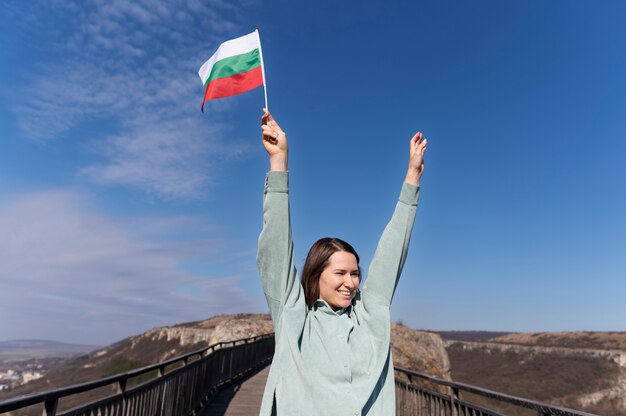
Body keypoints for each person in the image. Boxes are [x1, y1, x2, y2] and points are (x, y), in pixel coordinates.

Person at [256, 109, 426, 416]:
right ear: (316, 275)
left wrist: (412, 179)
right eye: (340, 273)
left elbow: (391, 252)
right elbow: (276, 248)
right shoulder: (295, 316)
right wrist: (278, 163)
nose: (350, 283)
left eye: (355, 274)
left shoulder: (369, 314)